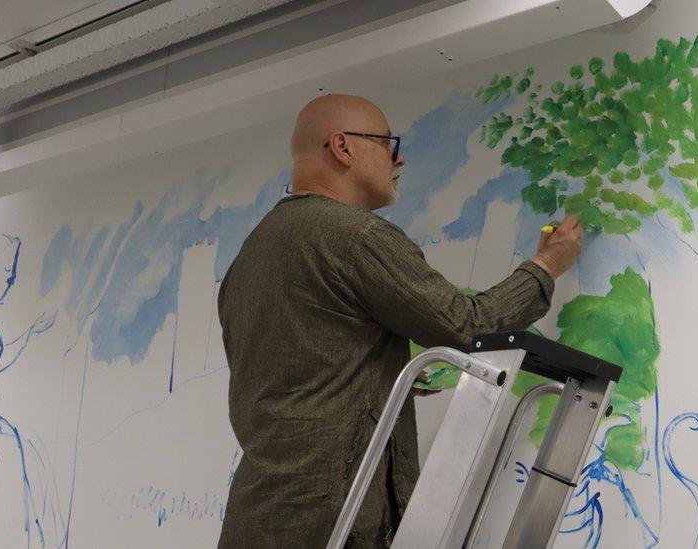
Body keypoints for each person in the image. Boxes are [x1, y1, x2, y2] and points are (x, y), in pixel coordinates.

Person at [216, 94, 583, 547]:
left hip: (260, 516)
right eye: (390, 144)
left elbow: (304, 365)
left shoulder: (251, 254)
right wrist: (546, 266)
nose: (401, 157)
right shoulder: (355, 236)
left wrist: (384, 378)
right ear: (342, 147)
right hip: (334, 521)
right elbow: (469, 325)